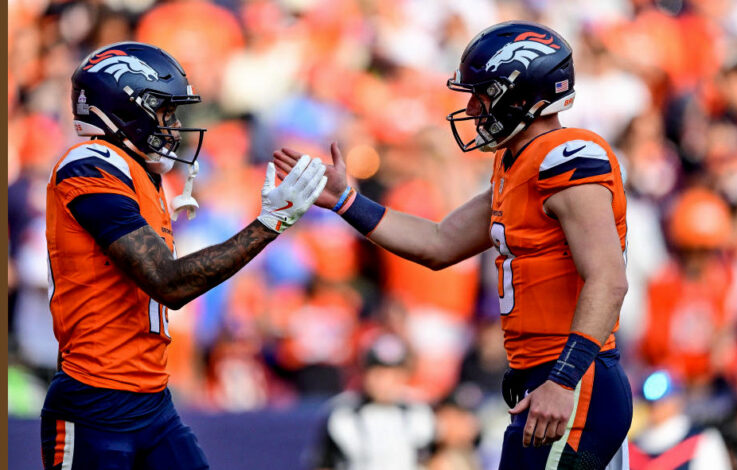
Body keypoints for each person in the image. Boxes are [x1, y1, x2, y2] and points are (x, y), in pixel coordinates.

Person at [274, 21, 632, 469]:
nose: (471, 106)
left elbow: (609, 278)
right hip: (547, 380)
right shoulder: (517, 163)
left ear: (521, 95)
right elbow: (438, 243)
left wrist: (563, 381)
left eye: (482, 93)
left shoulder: (568, 156)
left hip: (572, 380)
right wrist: (348, 202)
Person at [42, 42, 327, 469]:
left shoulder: (141, 173)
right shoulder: (91, 165)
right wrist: (269, 224)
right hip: (95, 401)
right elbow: (167, 281)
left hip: (151, 398)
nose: (174, 126)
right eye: (164, 112)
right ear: (124, 108)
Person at [310, 334, 435, 470]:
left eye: (394, 376)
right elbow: (324, 463)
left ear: (405, 376)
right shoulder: (342, 413)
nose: (385, 383)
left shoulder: (420, 411)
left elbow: (432, 459)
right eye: (379, 375)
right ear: (365, 374)